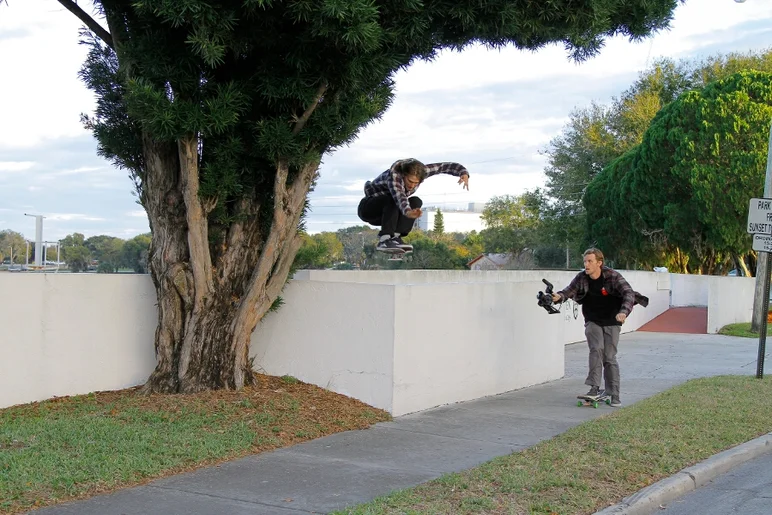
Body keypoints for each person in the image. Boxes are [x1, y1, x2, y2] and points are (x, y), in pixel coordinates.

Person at [551, 248, 647, 408]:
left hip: (613, 319)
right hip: (592, 320)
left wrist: (623, 312)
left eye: (590, 261)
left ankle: (614, 393)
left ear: (599, 263)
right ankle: (594, 388)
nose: (586, 265)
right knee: (596, 349)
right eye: (584, 261)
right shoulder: (582, 277)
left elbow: (628, 293)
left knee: (609, 357)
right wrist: (558, 297)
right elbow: (568, 291)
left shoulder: (612, 276)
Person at [357, 158, 470, 252]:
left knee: (416, 201)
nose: (412, 186)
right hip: (369, 209)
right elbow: (399, 197)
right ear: (404, 175)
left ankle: (396, 237)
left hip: (389, 213)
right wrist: (408, 212)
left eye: (416, 183)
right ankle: (384, 239)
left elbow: (444, 166)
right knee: (391, 199)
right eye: (410, 181)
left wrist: (463, 173)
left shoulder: (423, 170)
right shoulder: (395, 177)